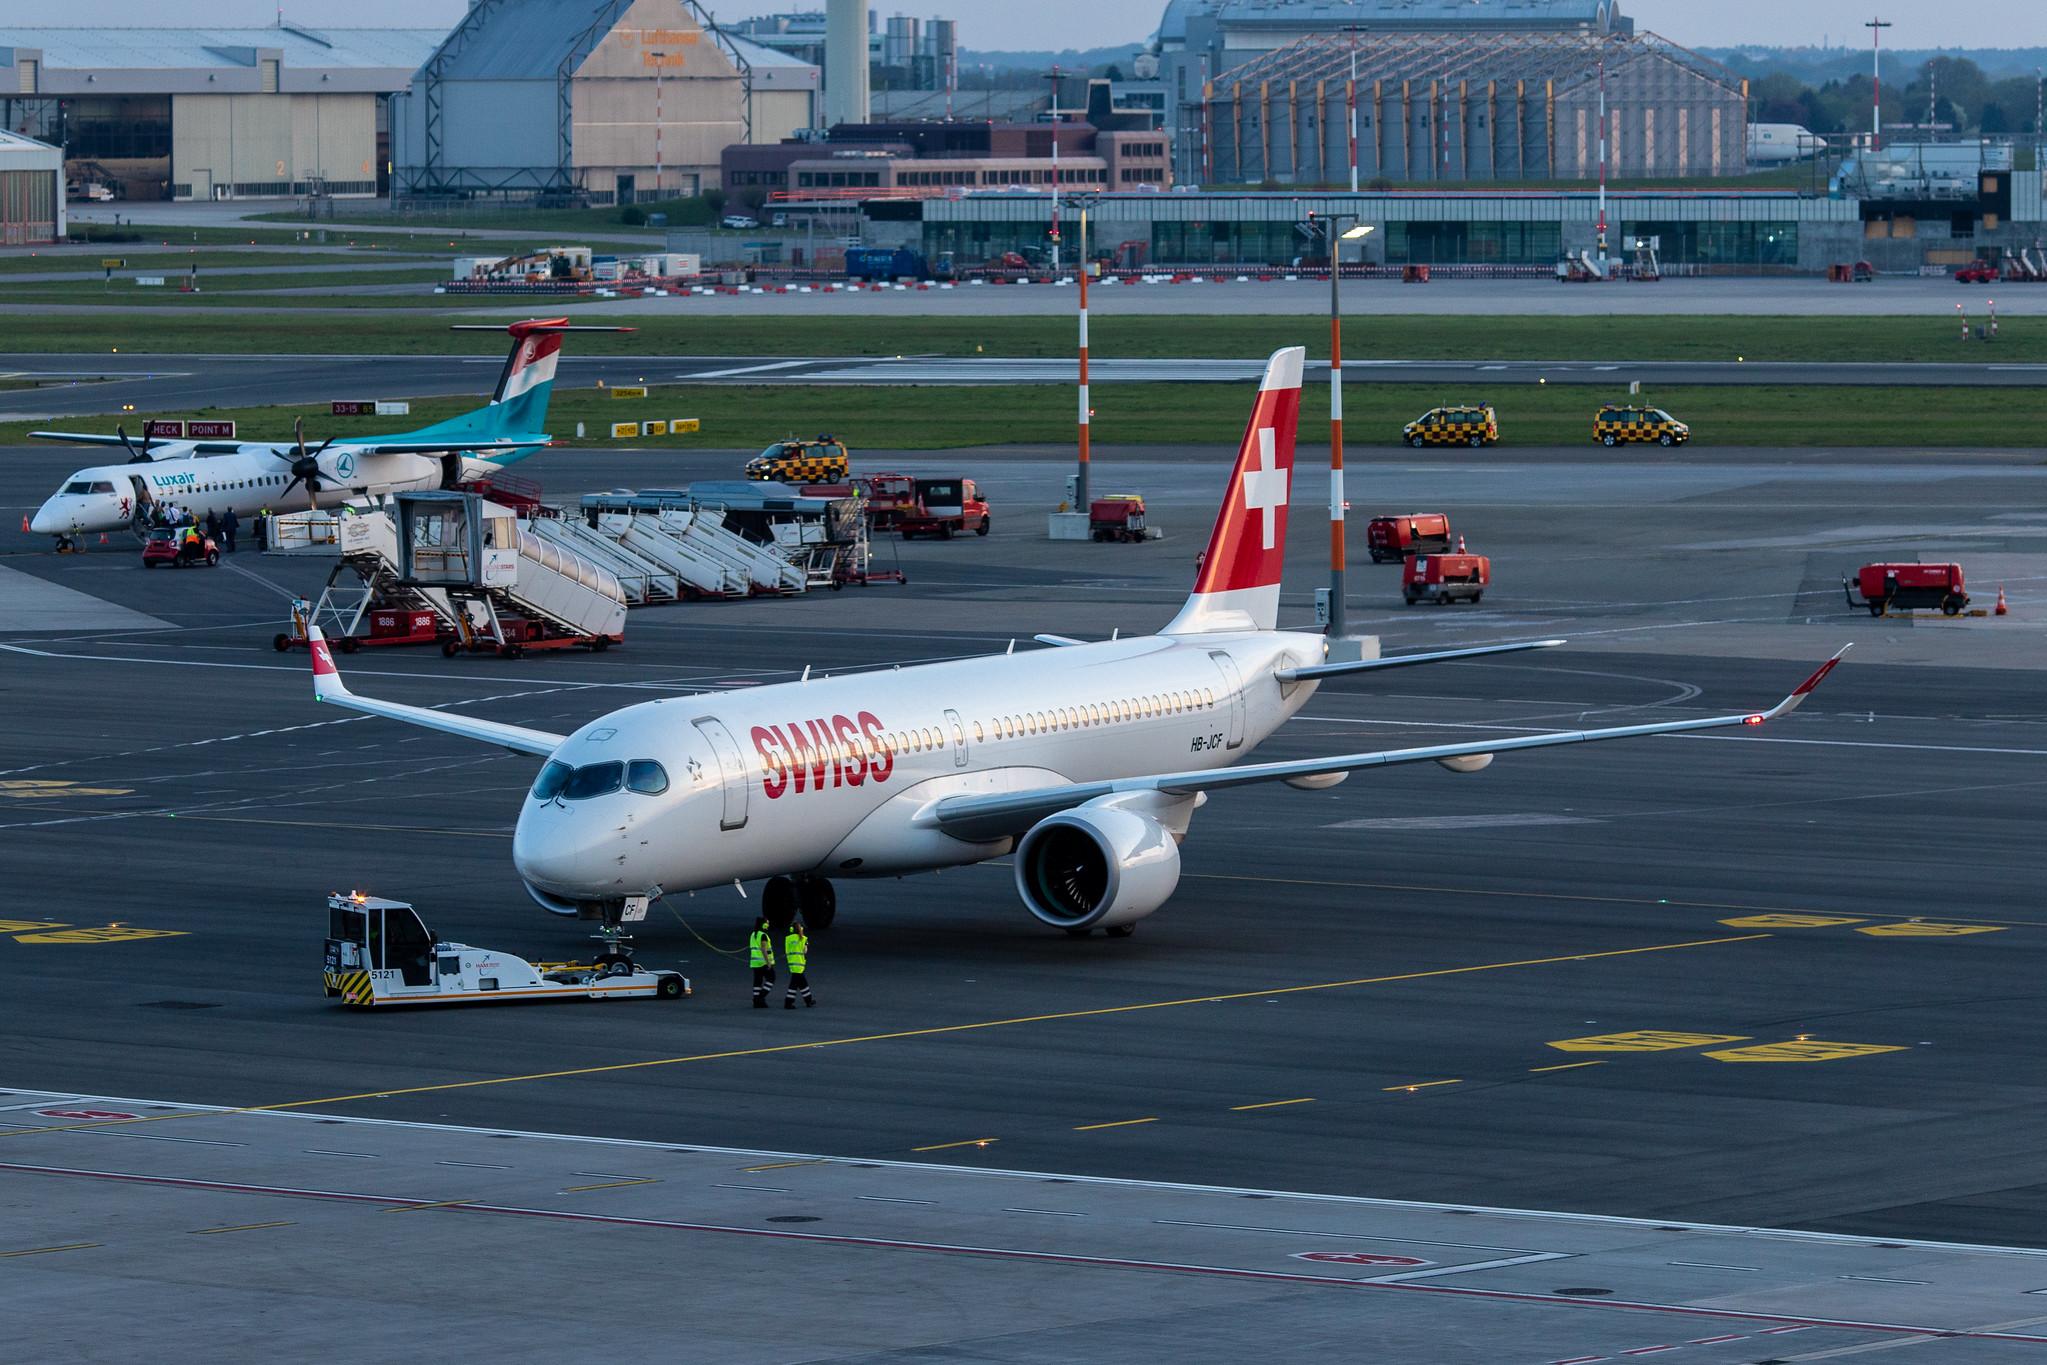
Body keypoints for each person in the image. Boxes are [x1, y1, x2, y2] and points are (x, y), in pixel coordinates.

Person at [783, 917, 813, 1009]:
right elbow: (805, 951)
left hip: (792, 964)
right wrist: (806, 944)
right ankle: (788, 1002)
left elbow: (787, 951)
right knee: (794, 984)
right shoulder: (803, 938)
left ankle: (808, 1000)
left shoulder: (787, 938)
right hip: (799, 964)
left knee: (802, 983)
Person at [748, 915, 776, 1009]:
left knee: (757, 982)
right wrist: (768, 962)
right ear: (763, 925)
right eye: (767, 923)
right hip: (763, 962)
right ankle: (760, 998)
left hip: (755, 963)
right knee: (771, 978)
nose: (768, 925)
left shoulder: (753, 934)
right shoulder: (763, 935)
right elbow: (763, 949)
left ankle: (756, 1001)